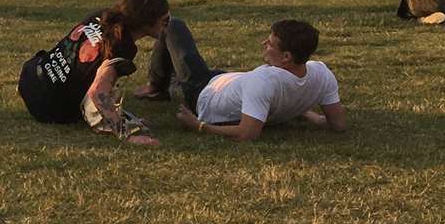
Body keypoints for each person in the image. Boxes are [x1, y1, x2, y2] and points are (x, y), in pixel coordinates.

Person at [147, 19, 346, 142]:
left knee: (172, 26)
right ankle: (159, 84)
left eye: (269, 43)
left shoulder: (264, 81)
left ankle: (156, 87)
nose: (263, 44)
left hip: (203, 92)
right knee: (178, 62)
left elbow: (247, 134)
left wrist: (198, 126)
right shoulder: (321, 73)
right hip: (229, 80)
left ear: (286, 57)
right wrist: (304, 112)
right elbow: (337, 124)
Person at [18, 0, 171, 145]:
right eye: (165, 20)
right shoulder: (123, 47)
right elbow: (97, 92)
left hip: (31, 77)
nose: (169, 25)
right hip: (50, 108)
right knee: (105, 88)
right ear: (146, 23)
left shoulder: (101, 16)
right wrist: (126, 133)